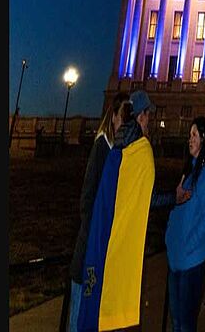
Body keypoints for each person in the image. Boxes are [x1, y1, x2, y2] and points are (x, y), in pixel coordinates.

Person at [77, 90, 158, 332]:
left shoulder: (117, 149)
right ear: (141, 117)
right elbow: (147, 198)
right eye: (148, 116)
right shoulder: (138, 151)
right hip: (120, 248)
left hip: (102, 242)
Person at [67, 92, 128, 332]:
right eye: (124, 116)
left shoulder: (114, 150)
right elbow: (87, 199)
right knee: (79, 316)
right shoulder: (102, 147)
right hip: (89, 250)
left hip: (100, 250)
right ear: (113, 116)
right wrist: (95, 236)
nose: (127, 122)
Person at [159, 117, 205, 331]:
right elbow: (178, 207)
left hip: (191, 260)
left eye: (194, 135)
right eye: (189, 135)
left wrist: (187, 244)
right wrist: (170, 237)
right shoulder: (190, 171)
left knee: (185, 324)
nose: (189, 139)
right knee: (177, 322)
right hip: (176, 258)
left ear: (203, 138)